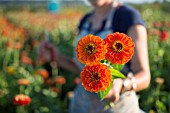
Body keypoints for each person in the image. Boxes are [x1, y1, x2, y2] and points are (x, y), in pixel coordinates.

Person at [39, 0, 151, 113]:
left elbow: (144, 76)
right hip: (81, 105)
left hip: (117, 107)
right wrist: (57, 58)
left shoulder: (128, 17)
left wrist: (122, 84)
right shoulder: (86, 20)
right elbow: (83, 69)